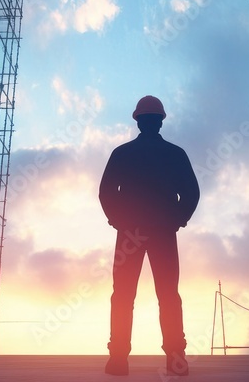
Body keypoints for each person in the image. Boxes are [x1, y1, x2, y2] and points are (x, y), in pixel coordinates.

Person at [99, 95, 200, 377]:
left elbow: (106, 192)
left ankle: (118, 359)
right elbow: (191, 193)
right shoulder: (175, 154)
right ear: (160, 121)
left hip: (130, 233)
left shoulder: (122, 153)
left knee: (122, 295)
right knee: (168, 295)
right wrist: (177, 219)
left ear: (138, 121)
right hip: (163, 233)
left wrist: (118, 220)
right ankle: (176, 359)